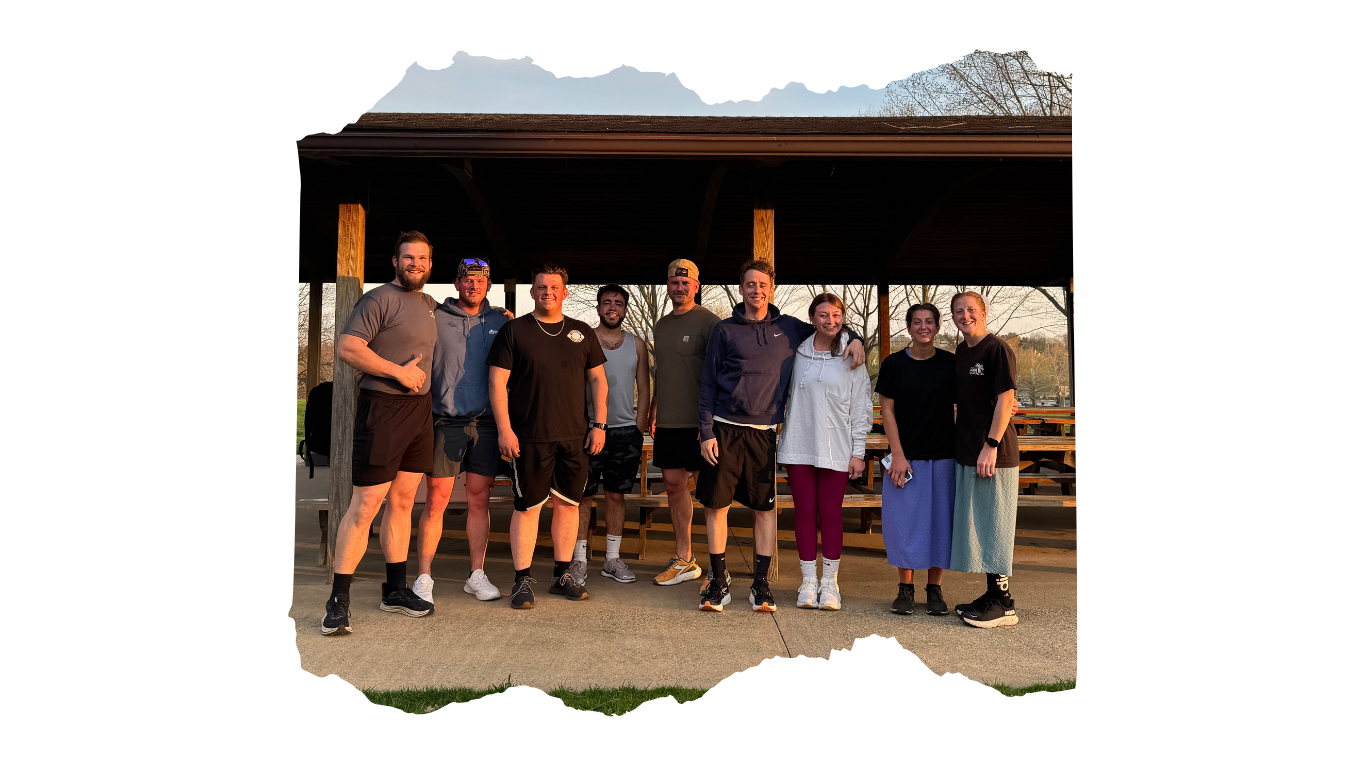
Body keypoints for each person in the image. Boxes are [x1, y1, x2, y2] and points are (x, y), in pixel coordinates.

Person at [696, 259, 865, 612]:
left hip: (764, 433)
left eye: (763, 285)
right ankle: (719, 580)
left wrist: (856, 338)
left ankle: (760, 584)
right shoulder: (724, 330)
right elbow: (708, 382)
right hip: (724, 429)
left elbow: (830, 327)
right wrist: (706, 430)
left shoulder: (789, 328)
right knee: (717, 506)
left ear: (771, 289)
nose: (756, 290)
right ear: (741, 288)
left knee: (764, 509)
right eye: (750, 284)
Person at [322, 230, 440, 635]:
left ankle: (394, 590)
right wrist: (398, 372)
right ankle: (338, 601)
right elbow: (348, 348)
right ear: (395, 261)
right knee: (366, 504)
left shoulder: (428, 303)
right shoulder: (379, 298)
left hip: (419, 412)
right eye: (409, 258)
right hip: (383, 409)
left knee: (404, 502)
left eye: (423, 259)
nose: (416, 264)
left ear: (430, 263)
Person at [487, 263, 608, 609]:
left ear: (564, 292)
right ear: (532, 291)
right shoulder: (514, 331)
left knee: (569, 506)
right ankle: (522, 579)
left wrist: (599, 425)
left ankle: (562, 574)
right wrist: (505, 429)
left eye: (554, 287)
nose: (548, 292)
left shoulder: (582, 332)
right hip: (528, 437)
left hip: (575, 438)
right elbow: (497, 384)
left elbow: (599, 381)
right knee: (527, 508)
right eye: (541, 287)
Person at [413, 258, 513, 606]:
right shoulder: (435, 317)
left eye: (481, 282)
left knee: (479, 499)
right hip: (446, 421)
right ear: (457, 284)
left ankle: (476, 574)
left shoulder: (501, 321)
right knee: (437, 500)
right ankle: (424, 575)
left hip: (485, 422)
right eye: (468, 281)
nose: (474, 286)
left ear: (488, 286)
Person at [775, 294, 872, 611]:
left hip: (837, 448)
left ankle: (830, 583)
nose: (830, 321)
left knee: (831, 515)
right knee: (803, 514)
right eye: (823, 315)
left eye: (836, 315)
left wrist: (859, 451)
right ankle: (808, 582)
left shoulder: (851, 356)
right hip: (799, 446)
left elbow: (861, 407)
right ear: (812, 318)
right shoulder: (796, 352)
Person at [876, 303, 958, 616]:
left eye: (929, 322)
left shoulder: (951, 364)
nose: (923, 327)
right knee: (904, 525)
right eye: (916, 322)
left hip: (944, 456)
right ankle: (905, 588)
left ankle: (934, 589)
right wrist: (897, 454)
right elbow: (887, 411)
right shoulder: (894, 364)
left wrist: (1009, 401)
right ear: (908, 327)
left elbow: (975, 396)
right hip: (905, 458)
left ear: (937, 327)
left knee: (940, 524)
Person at [948, 291, 1022, 628]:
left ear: (984, 312)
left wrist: (990, 444)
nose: (966, 315)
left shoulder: (997, 350)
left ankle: (1004, 603)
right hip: (967, 451)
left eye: (971, 310)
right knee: (983, 525)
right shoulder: (962, 351)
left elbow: (1007, 397)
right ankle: (992, 593)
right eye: (959, 311)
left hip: (994, 453)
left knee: (997, 525)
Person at [648, 259, 720, 588]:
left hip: (702, 423)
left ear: (696, 285)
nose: (680, 287)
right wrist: (653, 409)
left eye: (686, 282)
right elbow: (662, 372)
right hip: (668, 423)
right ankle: (685, 559)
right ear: (668, 285)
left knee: (713, 493)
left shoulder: (710, 323)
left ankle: (719, 565)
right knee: (674, 487)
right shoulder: (661, 326)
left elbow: (724, 371)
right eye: (674, 282)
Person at [573, 284, 651, 584]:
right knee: (583, 497)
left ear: (625, 308)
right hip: (589, 431)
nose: (612, 307)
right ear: (598, 308)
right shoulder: (582, 340)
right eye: (606, 302)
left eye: (618, 303)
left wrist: (638, 427)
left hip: (624, 432)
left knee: (617, 496)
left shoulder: (638, 344)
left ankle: (612, 560)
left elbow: (643, 389)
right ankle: (579, 561)